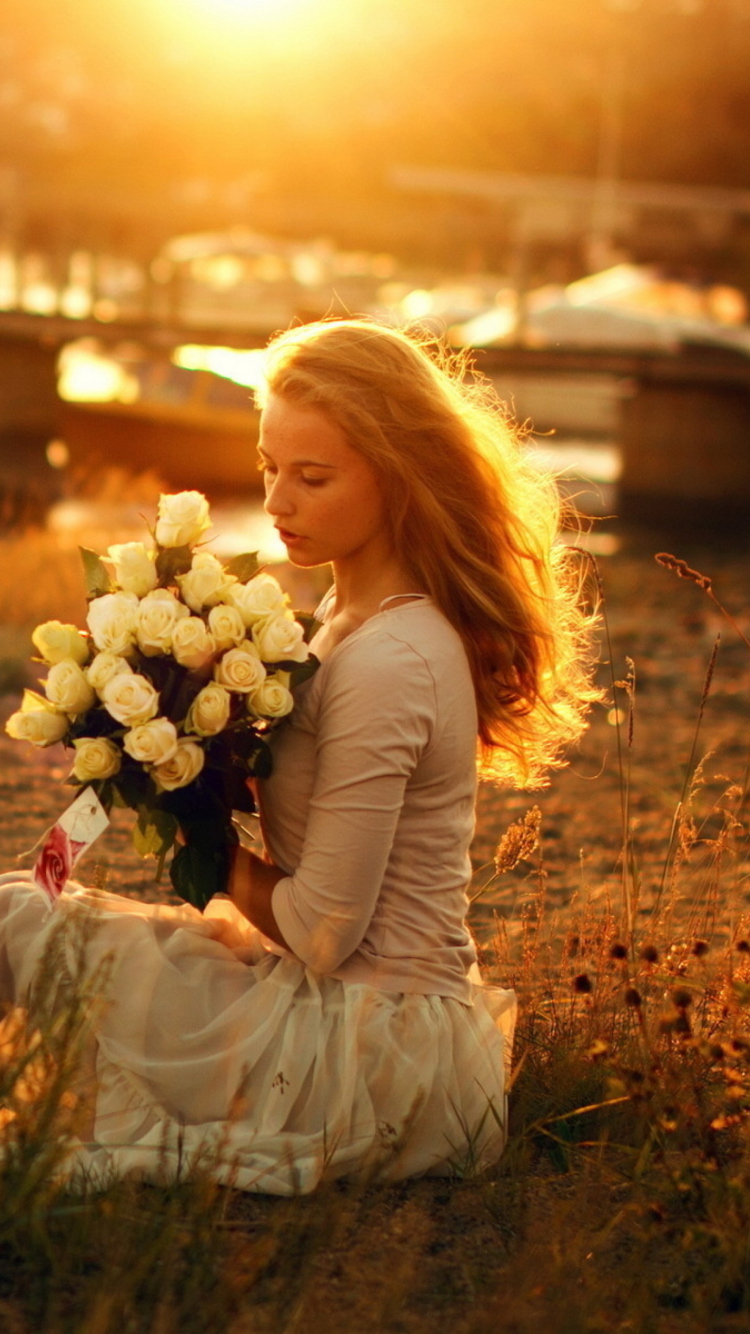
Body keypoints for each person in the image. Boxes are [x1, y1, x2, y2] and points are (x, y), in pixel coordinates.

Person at [0, 319, 597, 1194]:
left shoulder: (393, 657)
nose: (278, 501)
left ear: (398, 480)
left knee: (17, 923)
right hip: (338, 1007)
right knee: (23, 902)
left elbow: (323, 930)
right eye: (268, 467)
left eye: (313, 478)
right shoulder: (344, 618)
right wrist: (163, 737)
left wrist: (197, 832)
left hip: (366, 1051)